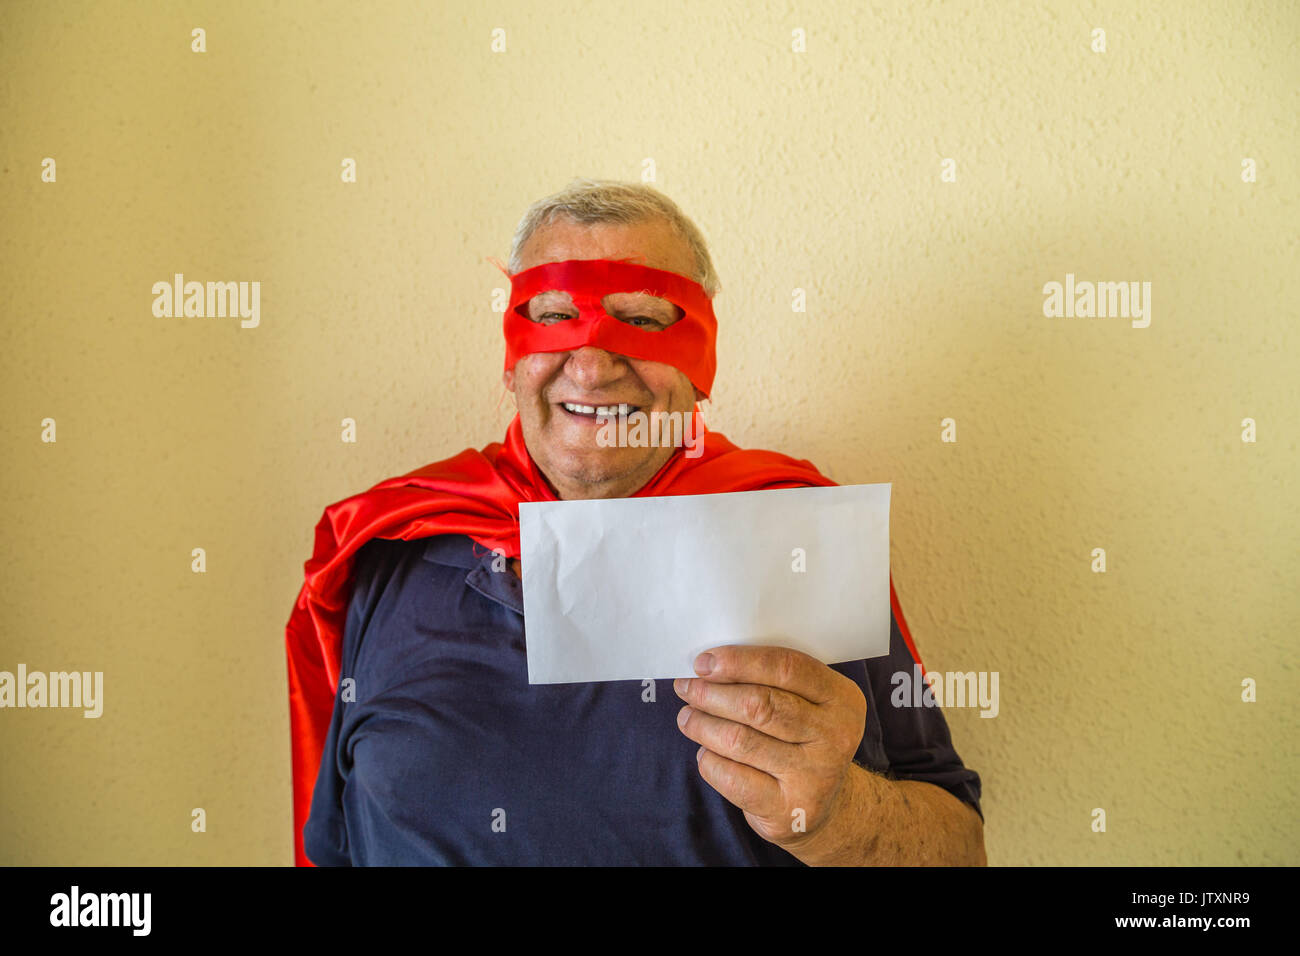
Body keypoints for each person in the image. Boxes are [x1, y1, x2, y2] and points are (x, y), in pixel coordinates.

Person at [285, 179, 986, 866]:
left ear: (703, 358)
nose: (589, 366)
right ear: (514, 358)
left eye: (644, 319)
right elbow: (334, 843)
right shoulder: (390, 542)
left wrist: (839, 817)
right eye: (553, 316)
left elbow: (959, 848)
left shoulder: (797, 537)